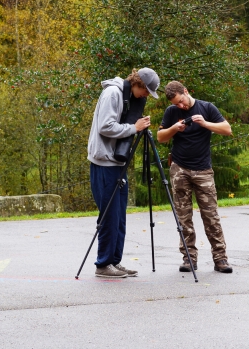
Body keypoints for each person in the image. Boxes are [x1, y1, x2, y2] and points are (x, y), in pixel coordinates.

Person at [87, 67, 160, 278]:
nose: (147, 96)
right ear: (138, 84)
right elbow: (105, 126)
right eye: (147, 91)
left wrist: (137, 128)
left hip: (118, 163)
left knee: (119, 216)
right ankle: (103, 264)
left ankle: (114, 261)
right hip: (104, 162)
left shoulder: (129, 96)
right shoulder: (112, 93)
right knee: (109, 215)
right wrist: (133, 128)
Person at [157, 81, 233, 274]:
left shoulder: (206, 107)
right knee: (183, 217)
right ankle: (189, 258)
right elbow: (160, 137)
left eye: (181, 101)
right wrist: (174, 128)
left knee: (211, 216)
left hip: (203, 170)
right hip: (179, 169)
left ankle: (220, 258)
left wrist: (205, 123)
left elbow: (227, 129)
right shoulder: (171, 112)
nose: (180, 107)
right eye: (177, 104)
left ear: (186, 91)